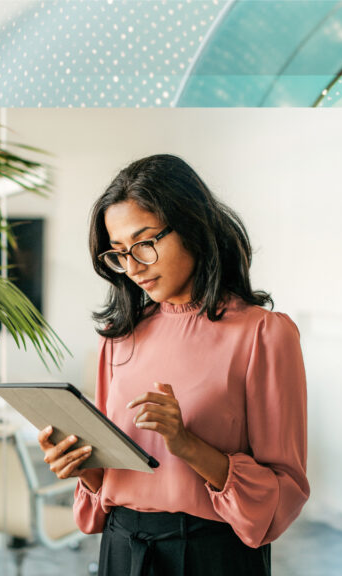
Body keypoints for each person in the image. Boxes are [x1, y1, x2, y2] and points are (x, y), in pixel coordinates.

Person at [37, 154, 309, 575]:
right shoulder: (120, 335)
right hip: (122, 549)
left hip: (210, 556)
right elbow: (112, 484)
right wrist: (83, 468)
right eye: (120, 253)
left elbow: (283, 493)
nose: (133, 267)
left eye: (145, 243)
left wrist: (187, 444)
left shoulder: (264, 334)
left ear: (193, 226)